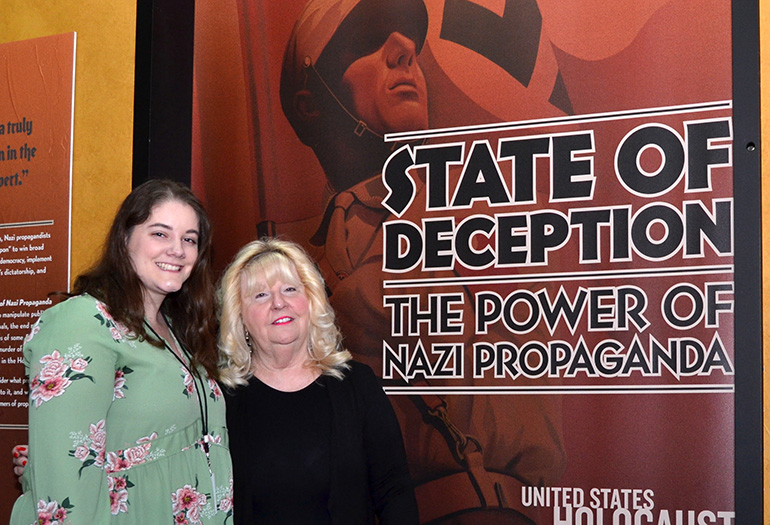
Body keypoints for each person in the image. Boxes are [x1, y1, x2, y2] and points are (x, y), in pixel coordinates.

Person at [277, 0, 566, 522]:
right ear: (311, 103)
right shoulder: (288, 260)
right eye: (364, 41)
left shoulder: (474, 221)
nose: (404, 50)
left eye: (409, 39)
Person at [10, 179, 233, 524]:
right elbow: (64, 483)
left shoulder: (178, 330)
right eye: (160, 234)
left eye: (189, 239)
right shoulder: (82, 322)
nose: (177, 249)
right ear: (125, 239)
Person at [216, 237, 418, 524]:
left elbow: (394, 490)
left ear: (311, 301)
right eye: (260, 295)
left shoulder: (357, 385)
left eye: (290, 289)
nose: (278, 303)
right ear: (239, 315)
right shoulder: (220, 398)